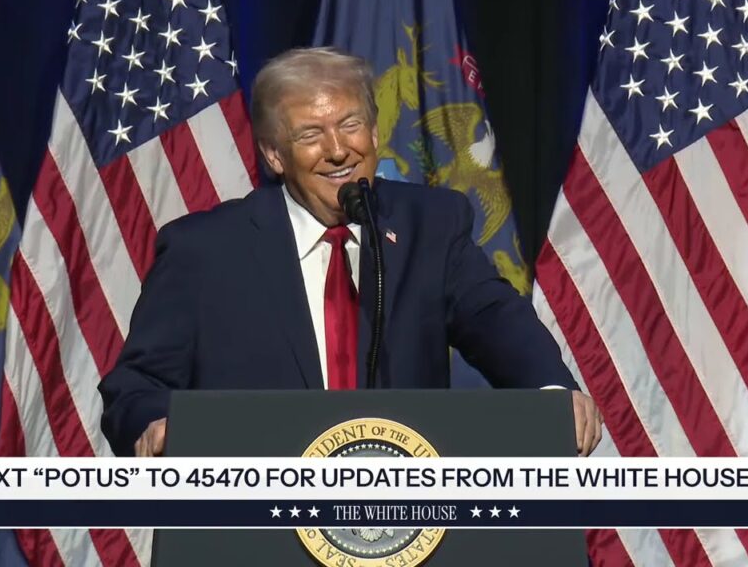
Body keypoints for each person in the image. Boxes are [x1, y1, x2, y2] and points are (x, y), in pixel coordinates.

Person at [98, 47, 602, 457]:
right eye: (311, 135)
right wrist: (154, 425)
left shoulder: (430, 225)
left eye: (351, 124)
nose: (339, 150)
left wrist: (550, 394)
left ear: (377, 132)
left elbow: (495, 319)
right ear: (275, 155)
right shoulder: (205, 250)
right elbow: (136, 384)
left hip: (401, 527)